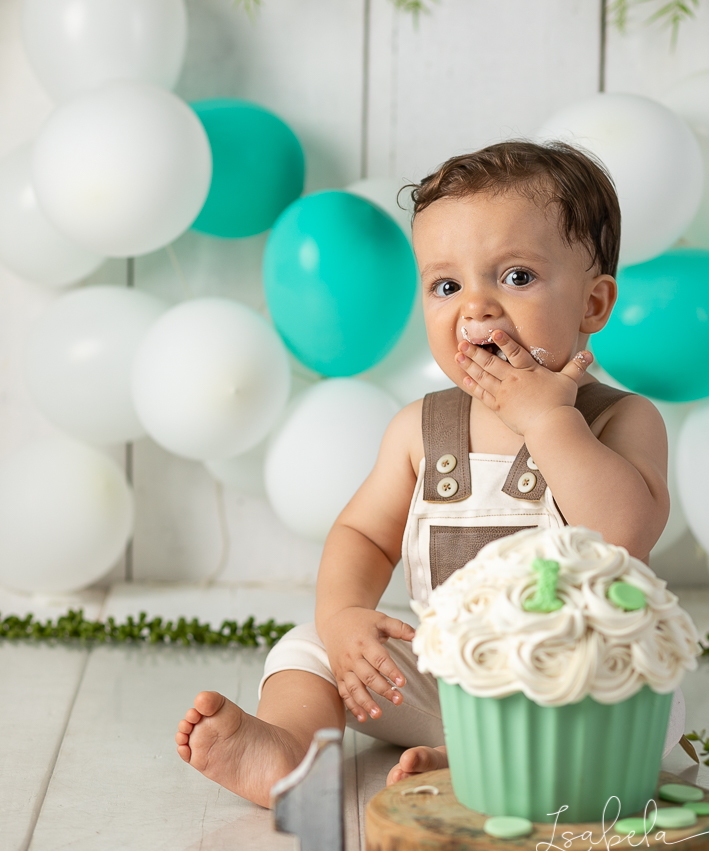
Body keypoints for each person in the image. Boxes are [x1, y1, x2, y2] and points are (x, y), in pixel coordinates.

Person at [175, 140, 677, 808]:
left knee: (652, 695)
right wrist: (344, 614)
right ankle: (292, 748)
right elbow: (364, 534)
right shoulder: (421, 428)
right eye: (447, 286)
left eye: (516, 277)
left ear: (592, 305)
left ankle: (475, 760)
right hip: (442, 678)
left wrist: (548, 421)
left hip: (568, 683)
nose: (476, 309)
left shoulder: (619, 420)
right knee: (310, 648)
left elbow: (622, 536)